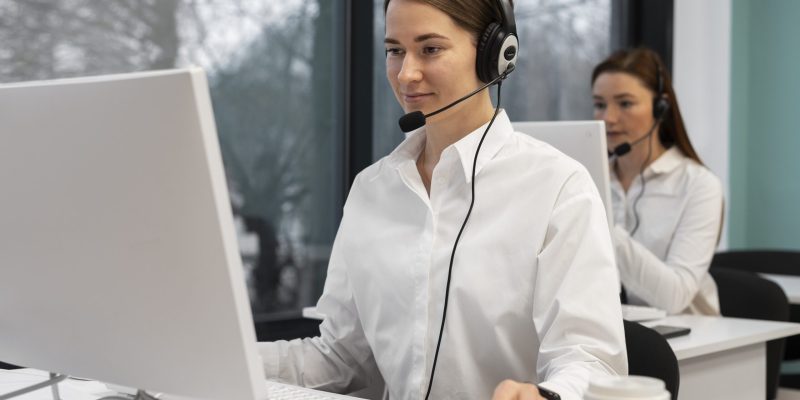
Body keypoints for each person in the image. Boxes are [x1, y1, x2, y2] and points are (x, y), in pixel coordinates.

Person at [258, 1, 627, 399]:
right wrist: (220, 357)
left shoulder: (558, 187)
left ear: (495, 55)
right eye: (394, 50)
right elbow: (341, 358)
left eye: (430, 49)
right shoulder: (372, 190)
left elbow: (591, 361)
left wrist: (549, 395)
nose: (406, 74)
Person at [591, 48, 724, 315]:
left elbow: (675, 297)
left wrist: (599, 223)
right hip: (612, 328)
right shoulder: (590, 177)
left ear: (660, 107)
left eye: (625, 103)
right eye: (600, 104)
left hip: (692, 338)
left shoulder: (698, 185)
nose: (608, 118)